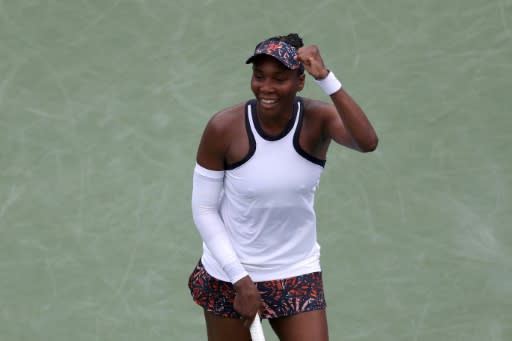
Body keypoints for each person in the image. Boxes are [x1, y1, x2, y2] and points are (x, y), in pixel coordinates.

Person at [188, 33, 378, 341]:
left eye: (279, 78)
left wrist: (327, 78)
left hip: (295, 270)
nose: (266, 87)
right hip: (230, 272)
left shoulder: (318, 119)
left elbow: (367, 142)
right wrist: (241, 279)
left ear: (300, 81)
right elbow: (204, 209)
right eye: (259, 76)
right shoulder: (224, 127)